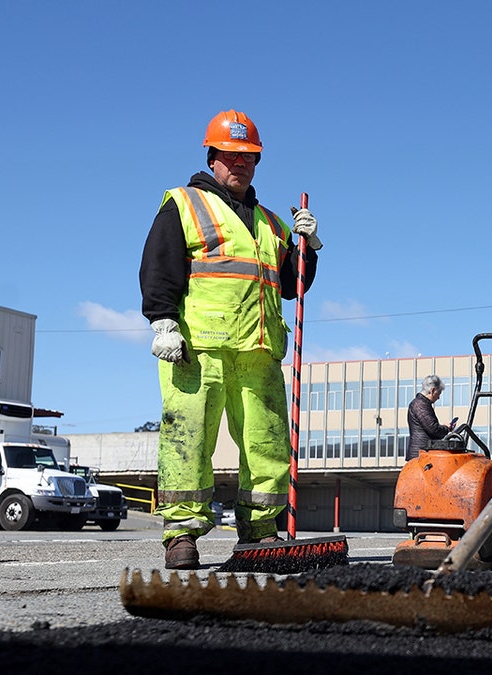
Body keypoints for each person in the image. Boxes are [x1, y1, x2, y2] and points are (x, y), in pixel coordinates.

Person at [139, 109, 324, 570]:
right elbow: (160, 265)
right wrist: (162, 322)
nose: (240, 164)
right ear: (213, 156)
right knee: (189, 441)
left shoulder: (271, 222)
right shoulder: (183, 204)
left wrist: (309, 248)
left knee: (267, 444)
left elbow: (291, 285)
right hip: (196, 352)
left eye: (249, 157)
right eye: (231, 155)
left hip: (259, 351)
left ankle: (260, 530)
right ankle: (182, 534)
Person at [405, 375, 454, 461]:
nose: (438, 398)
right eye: (438, 394)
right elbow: (433, 429)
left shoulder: (419, 404)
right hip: (422, 455)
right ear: (432, 390)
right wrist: (447, 428)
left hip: (419, 453)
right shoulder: (421, 405)